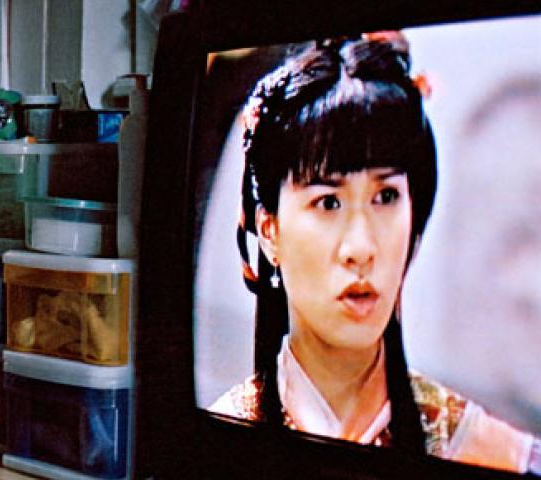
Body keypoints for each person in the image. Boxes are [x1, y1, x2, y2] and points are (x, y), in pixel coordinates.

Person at [206, 33, 540, 474]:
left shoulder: (487, 448)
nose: (361, 248)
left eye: (385, 197)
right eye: (328, 202)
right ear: (269, 230)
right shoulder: (220, 435)